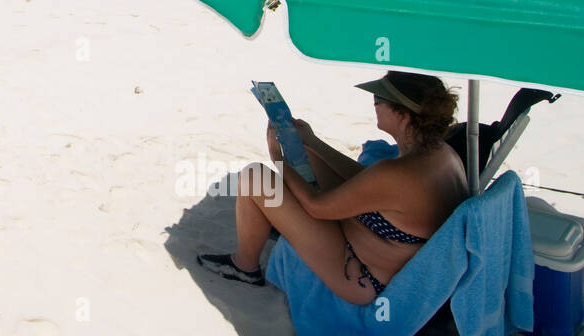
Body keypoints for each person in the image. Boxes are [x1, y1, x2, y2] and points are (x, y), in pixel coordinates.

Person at [196, 71, 469, 304]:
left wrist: (278, 159)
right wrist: (312, 142)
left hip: (361, 276)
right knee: (309, 158)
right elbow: (371, 181)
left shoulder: (400, 174)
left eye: (379, 99)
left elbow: (317, 208)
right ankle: (279, 222)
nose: (374, 104)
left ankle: (245, 266)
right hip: (381, 250)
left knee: (256, 178)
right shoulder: (438, 154)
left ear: (404, 115)